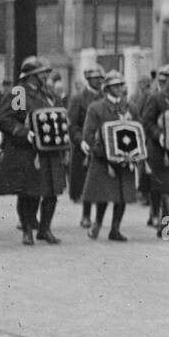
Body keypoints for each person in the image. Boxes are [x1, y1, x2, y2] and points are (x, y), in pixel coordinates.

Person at [0, 56, 69, 245]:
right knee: (30, 192)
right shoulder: (20, 94)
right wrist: (24, 132)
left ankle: (45, 229)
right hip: (29, 151)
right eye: (42, 73)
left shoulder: (50, 94)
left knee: (52, 191)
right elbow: (6, 119)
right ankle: (27, 230)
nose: (46, 76)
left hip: (51, 150)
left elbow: (60, 117)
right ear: (31, 75)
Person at [80, 70, 138, 241]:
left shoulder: (130, 107)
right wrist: (104, 154)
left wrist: (133, 154)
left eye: (121, 85)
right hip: (103, 159)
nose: (120, 88)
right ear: (107, 88)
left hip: (126, 159)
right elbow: (89, 135)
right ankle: (97, 223)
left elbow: (138, 130)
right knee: (103, 195)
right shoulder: (96, 108)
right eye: (115, 86)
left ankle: (115, 228)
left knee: (122, 195)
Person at [142, 62, 169, 235]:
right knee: (166, 190)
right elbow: (146, 121)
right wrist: (159, 135)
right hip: (160, 152)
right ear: (165, 79)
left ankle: (163, 226)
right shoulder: (156, 98)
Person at [67, 65, 104, 229]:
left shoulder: (105, 97)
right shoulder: (78, 99)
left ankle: (99, 218)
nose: (99, 81)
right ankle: (86, 215)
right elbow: (71, 124)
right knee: (86, 183)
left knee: (102, 183)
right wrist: (80, 140)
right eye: (95, 78)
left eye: (100, 78)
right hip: (84, 147)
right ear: (88, 80)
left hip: (103, 146)